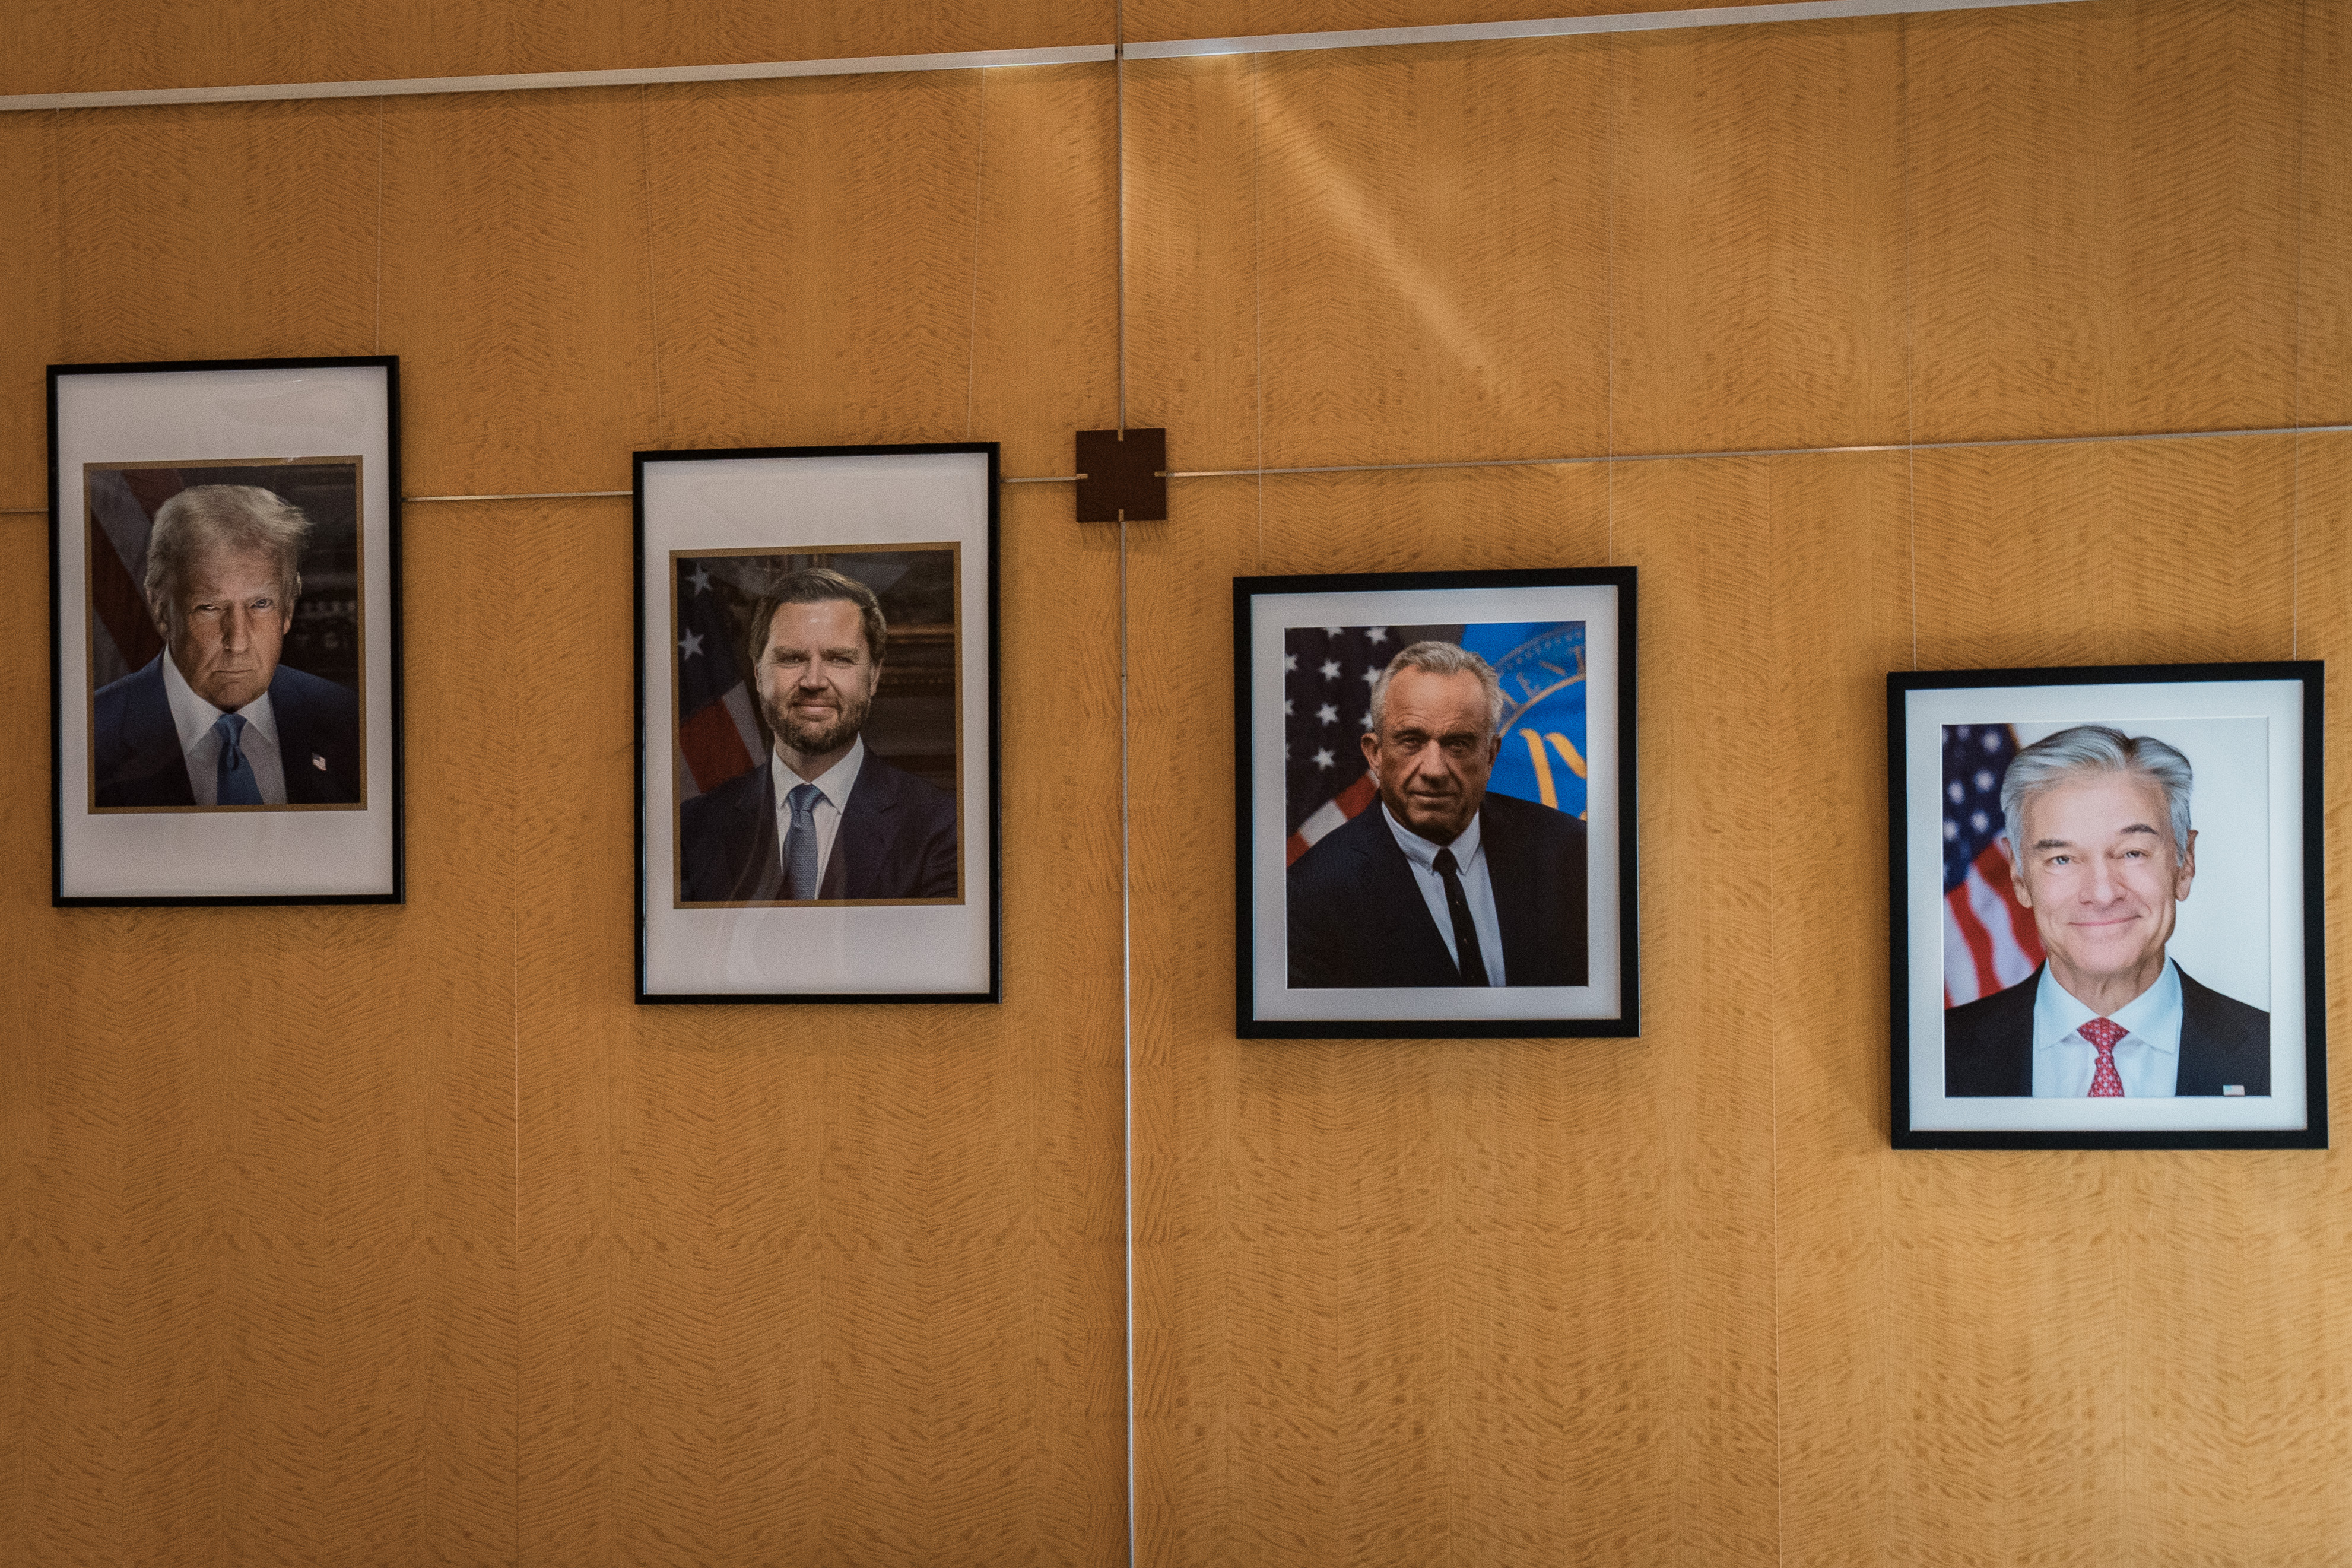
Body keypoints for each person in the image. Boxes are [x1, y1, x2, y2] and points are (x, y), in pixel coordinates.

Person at [1944, 725, 2268, 1097]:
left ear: (2185, 864)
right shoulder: (1942, 1058)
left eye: (2133, 853)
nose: (2101, 894)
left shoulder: (2272, 1055)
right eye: (2062, 859)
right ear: (2019, 877)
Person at [1287, 641, 1588, 988]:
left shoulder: (1573, 857)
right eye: (1411, 741)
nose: (1434, 770)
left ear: (1490, 756)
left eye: (1458, 744)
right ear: (1375, 755)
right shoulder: (1310, 896)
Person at [677, 566, 958, 904]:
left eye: (839, 659)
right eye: (792, 658)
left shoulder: (943, 828)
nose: (813, 681)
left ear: (873, 676)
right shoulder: (692, 830)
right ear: (758, 673)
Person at [91, 484, 361, 808]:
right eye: (209, 608)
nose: (238, 642)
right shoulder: (91, 737)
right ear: (162, 610)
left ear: (288, 609)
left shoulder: (348, 720)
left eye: (261, 604)